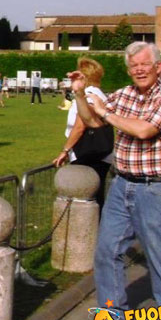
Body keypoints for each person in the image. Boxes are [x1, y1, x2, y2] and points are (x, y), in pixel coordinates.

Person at [70, 42, 161, 320]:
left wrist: (107, 112)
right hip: (123, 184)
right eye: (133, 65)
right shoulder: (122, 96)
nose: (138, 69)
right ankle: (112, 317)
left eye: (144, 64)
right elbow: (93, 121)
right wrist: (81, 94)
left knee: (159, 257)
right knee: (106, 251)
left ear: (158, 66)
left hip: (156, 188)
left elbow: (145, 130)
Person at [52, 58, 112, 211]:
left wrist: (65, 150)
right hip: (101, 154)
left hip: (87, 154)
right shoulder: (99, 93)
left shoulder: (89, 94)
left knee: (85, 200)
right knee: (96, 198)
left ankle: (90, 232)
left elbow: (80, 125)